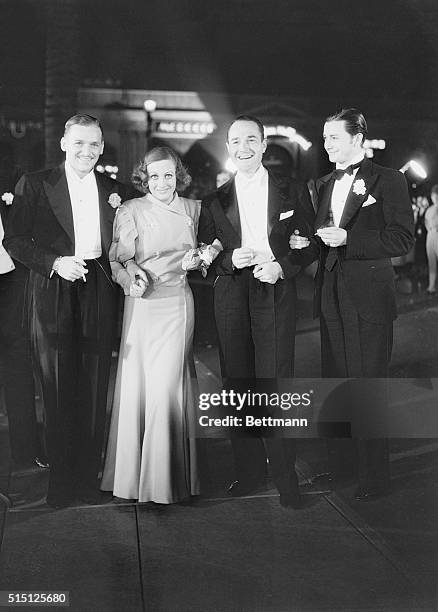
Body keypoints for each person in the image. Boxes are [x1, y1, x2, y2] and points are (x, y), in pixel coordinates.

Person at [3, 114, 133, 508]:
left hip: (98, 284)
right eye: (78, 143)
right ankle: (60, 485)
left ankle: (86, 481)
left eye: (93, 144)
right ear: (64, 144)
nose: (86, 151)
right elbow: (16, 240)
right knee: (57, 386)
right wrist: (56, 263)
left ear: (101, 148)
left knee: (95, 383)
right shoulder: (37, 183)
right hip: (53, 285)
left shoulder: (114, 189)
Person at [291, 108, 414, 499]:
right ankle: (341, 467)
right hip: (330, 297)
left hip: (369, 300)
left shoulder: (389, 180)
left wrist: (349, 241)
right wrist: (304, 243)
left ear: (358, 139)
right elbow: (322, 236)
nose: (326, 144)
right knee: (336, 385)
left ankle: (374, 477)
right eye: (325, 138)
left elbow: (401, 239)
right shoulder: (323, 182)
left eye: (334, 138)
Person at [198, 115, 317, 507]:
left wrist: (282, 265)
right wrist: (230, 258)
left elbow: (310, 244)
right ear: (228, 147)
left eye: (252, 139)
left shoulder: (291, 189)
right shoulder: (213, 200)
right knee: (238, 383)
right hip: (231, 295)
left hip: (275, 289)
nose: (244, 147)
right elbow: (205, 258)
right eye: (236, 141)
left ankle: (286, 480)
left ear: (264, 144)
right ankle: (248, 474)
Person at [101, 146, 201, 504]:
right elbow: (118, 259)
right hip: (142, 305)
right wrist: (133, 277)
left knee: (166, 388)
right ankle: (134, 479)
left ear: (179, 176)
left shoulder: (195, 209)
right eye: (154, 175)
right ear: (144, 177)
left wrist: (202, 256)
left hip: (178, 304)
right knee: (141, 387)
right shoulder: (130, 210)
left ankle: (165, 482)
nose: (161, 182)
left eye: (168, 175)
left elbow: (209, 249)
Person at [425, 184, 438, 294]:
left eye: (436, 195)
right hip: (430, 235)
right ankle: (431, 286)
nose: (435, 198)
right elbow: (426, 222)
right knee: (431, 261)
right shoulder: (429, 209)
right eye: (434, 196)